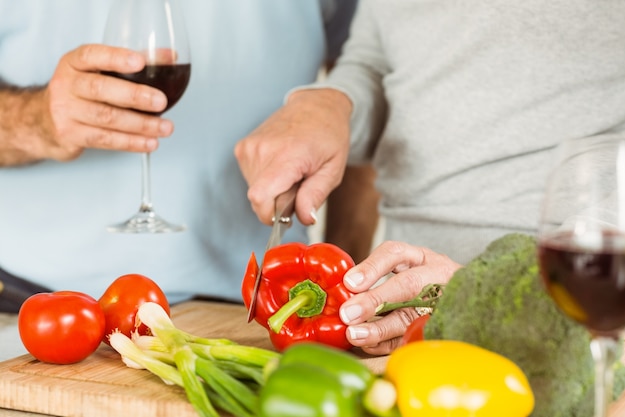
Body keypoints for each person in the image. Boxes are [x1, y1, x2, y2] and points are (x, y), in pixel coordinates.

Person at [235, 1, 625, 354]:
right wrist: (334, 105)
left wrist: (505, 291)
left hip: (580, 305)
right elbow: (378, 59)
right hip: (404, 320)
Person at [0, 0, 365, 312]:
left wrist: (344, 279)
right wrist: (36, 120)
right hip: (33, 306)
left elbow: (367, 77)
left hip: (265, 302)